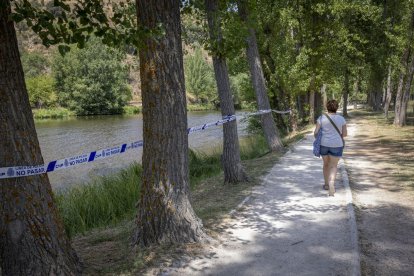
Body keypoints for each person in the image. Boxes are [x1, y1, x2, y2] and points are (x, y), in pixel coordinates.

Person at [314, 99, 347, 196]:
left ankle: (326, 184)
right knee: (333, 165)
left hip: (324, 144)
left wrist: (319, 138)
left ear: (327, 107)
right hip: (337, 145)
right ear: (336, 108)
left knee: (325, 165)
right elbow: (345, 134)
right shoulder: (341, 119)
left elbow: (315, 133)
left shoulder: (321, 118)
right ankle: (332, 182)